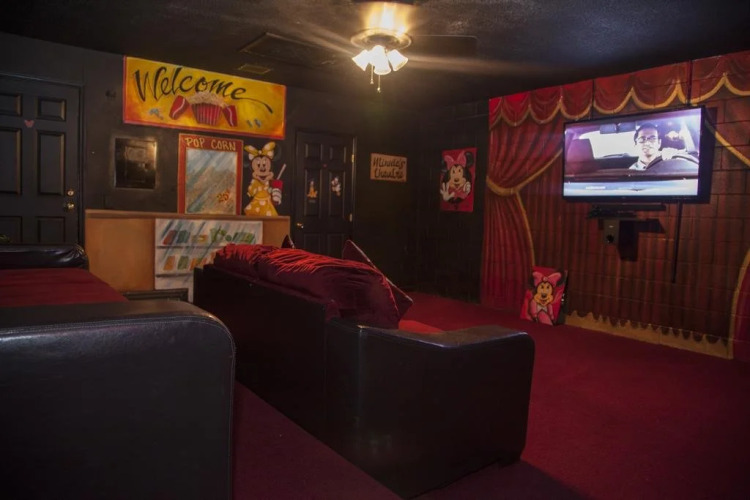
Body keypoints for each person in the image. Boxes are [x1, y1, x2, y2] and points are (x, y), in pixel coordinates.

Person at [629, 122, 697, 171]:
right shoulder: (631, 171)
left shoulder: (669, 156)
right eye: (642, 139)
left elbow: (690, 159)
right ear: (636, 144)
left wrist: (673, 155)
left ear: (659, 143)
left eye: (652, 138)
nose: (647, 143)